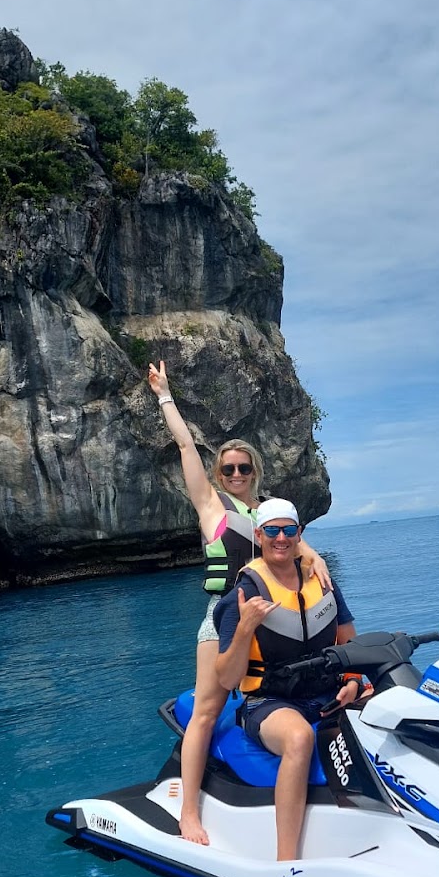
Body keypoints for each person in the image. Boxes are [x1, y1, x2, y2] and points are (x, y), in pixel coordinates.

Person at [147, 361, 331, 846]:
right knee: (206, 711)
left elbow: (297, 546)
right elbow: (186, 445)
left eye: (242, 468)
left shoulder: (273, 517)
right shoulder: (212, 507)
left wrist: (315, 558)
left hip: (275, 622)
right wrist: (165, 395)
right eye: (227, 468)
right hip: (225, 620)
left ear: (255, 473)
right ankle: (188, 812)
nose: (234, 474)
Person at [215, 499, 361, 861]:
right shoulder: (244, 594)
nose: (281, 538)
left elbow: (350, 642)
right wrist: (246, 625)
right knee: (298, 739)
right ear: (259, 535)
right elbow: (226, 676)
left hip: (327, 694)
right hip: (269, 702)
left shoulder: (322, 580)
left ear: (299, 534)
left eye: (289, 530)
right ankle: (286, 860)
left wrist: (355, 679)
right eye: (273, 531)